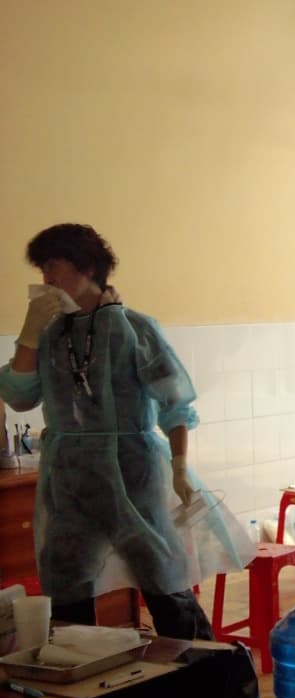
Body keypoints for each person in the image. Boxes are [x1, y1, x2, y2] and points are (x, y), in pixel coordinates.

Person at [0, 224, 212, 639]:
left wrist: (179, 466)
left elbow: (174, 402)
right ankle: (82, 669)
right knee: (66, 585)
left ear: (87, 267)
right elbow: (19, 396)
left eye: (54, 266)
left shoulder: (134, 328)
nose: (46, 278)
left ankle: (203, 667)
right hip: (69, 482)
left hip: (132, 475)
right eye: (42, 268)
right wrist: (29, 333)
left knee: (162, 579)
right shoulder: (50, 335)